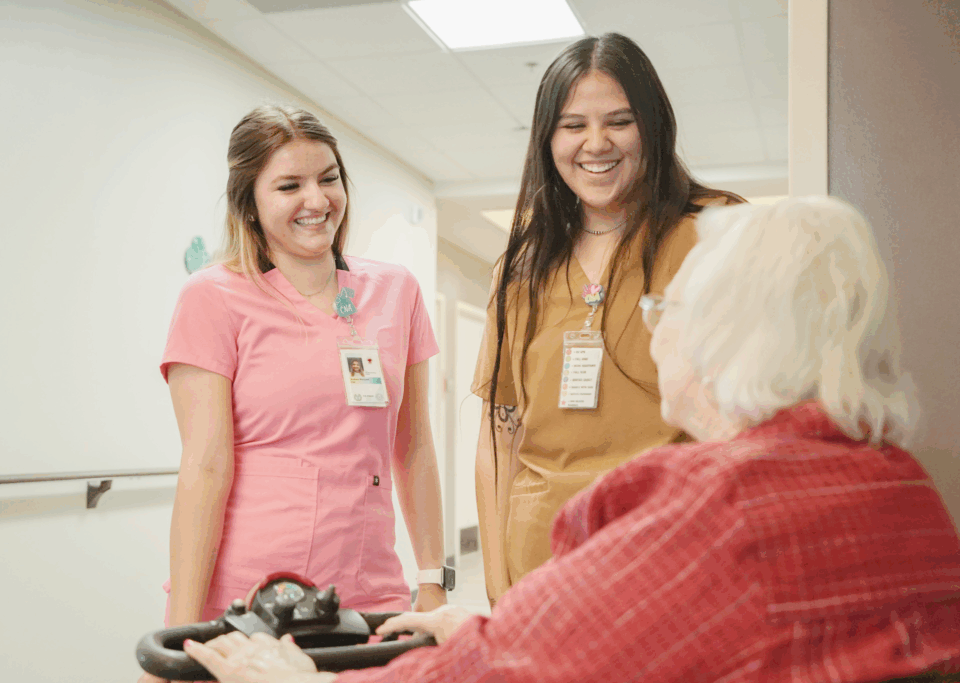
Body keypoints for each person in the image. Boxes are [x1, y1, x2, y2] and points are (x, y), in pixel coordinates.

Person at [181, 196, 960, 683]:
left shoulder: (718, 505)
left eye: (665, 312)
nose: (654, 338)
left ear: (725, 341)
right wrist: (484, 625)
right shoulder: (905, 487)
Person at [142, 104, 448, 682]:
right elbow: (204, 467)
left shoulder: (394, 291)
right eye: (289, 185)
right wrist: (179, 639)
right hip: (250, 591)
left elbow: (415, 448)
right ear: (249, 202)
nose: (317, 200)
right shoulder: (213, 297)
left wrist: (431, 578)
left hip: (367, 586)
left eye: (328, 178)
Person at [471, 32, 743, 603]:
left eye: (619, 121)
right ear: (548, 140)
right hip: (542, 568)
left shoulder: (719, 231)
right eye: (573, 126)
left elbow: (757, 408)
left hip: (674, 558)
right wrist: (497, 584)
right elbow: (500, 435)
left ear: (653, 126)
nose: (596, 143)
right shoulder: (519, 266)